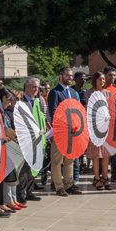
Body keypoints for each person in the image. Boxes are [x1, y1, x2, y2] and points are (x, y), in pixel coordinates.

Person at [47, 66, 81, 197]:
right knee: (57, 160)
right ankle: (59, 186)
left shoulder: (73, 92)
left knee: (69, 160)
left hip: (73, 132)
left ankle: (69, 184)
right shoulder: (55, 92)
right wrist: (66, 124)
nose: (70, 78)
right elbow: (53, 112)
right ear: (60, 76)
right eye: (67, 75)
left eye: (71, 76)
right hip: (60, 131)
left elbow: (77, 110)